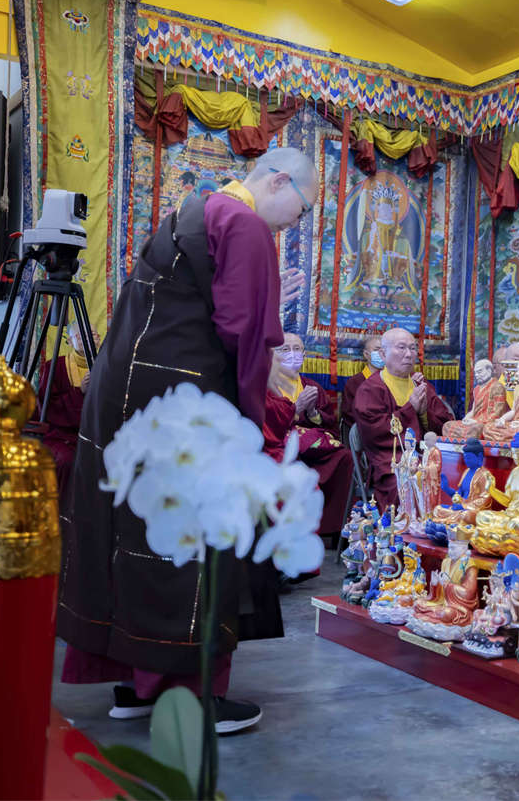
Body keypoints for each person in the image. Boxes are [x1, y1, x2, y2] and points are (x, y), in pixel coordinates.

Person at [57, 146, 318, 734]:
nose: (293, 224)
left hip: (127, 396)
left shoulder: (195, 209)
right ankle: (191, 696)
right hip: (183, 403)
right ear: (279, 181)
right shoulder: (245, 225)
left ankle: (137, 682)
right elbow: (242, 332)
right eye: (301, 210)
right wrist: (251, 424)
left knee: (130, 530)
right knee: (191, 541)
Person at [351, 327, 454, 514]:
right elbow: (375, 433)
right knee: (413, 481)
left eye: (413, 348)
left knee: (454, 477)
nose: (408, 354)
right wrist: (410, 408)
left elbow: (444, 423)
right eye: (401, 348)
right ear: (383, 354)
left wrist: (423, 414)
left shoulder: (420, 386)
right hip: (392, 464)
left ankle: (447, 527)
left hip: (427, 458)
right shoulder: (370, 389)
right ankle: (411, 529)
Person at [267, 333, 354, 538]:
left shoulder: (312, 387)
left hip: (314, 448)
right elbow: (267, 423)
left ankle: (333, 528)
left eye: (297, 349)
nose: (292, 354)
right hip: (283, 446)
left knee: (345, 457)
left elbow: (330, 425)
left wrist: (313, 413)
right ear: (274, 356)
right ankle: (291, 529)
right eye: (285, 349)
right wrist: (296, 408)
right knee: (290, 458)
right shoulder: (267, 386)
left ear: (304, 355)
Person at [30, 327, 98, 494]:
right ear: (69, 340)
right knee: (68, 461)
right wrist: (80, 392)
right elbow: (47, 407)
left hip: (95, 433)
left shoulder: (106, 365)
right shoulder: (56, 366)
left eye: (93, 334)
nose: (88, 338)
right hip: (61, 435)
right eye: (81, 335)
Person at [341, 334, 383, 426]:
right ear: (366, 354)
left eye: (384, 350)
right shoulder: (355, 382)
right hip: (362, 428)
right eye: (377, 350)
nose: (381, 353)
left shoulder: (391, 379)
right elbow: (348, 413)